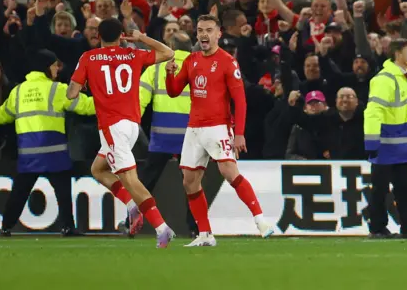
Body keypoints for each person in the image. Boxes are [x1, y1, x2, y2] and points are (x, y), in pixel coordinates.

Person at [165, 15, 273, 247]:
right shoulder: (192, 60)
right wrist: (169, 73)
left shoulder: (227, 62)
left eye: (209, 30)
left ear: (218, 34)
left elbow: (240, 100)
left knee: (228, 171)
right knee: (189, 181)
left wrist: (240, 133)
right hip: (194, 129)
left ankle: (260, 220)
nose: (204, 34)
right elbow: (174, 91)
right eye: (200, 30)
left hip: (218, 126)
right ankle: (205, 234)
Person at [68, 18, 177, 248]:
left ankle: (161, 228)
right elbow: (168, 52)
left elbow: (71, 93)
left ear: (98, 36)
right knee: (98, 169)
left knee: (130, 179)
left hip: (111, 126)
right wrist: (141, 38)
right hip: (131, 125)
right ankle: (130, 205)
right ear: (121, 36)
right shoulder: (132, 55)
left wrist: (84, 84)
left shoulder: (88, 58)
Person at [0, 49, 95, 236]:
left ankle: (5, 226)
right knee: (63, 192)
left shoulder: (18, 91)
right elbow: (86, 106)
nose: (57, 69)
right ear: (47, 67)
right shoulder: (58, 89)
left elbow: (0, 117)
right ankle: (67, 227)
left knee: (19, 192)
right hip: (54, 153)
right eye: (55, 65)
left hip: (28, 155)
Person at [137, 31, 197, 236]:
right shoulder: (198, 68)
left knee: (146, 183)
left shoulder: (155, 69)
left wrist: (129, 126)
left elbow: (139, 102)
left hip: (161, 138)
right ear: (191, 47)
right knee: (192, 184)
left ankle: (131, 222)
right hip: (190, 137)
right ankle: (196, 228)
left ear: (169, 45)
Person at [364, 38, 407, 239]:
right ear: (398, 53)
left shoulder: (405, 77)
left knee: (403, 187)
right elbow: (374, 111)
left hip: (399, 144)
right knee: (380, 189)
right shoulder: (385, 79)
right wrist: (372, 141)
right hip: (385, 143)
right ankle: (378, 228)